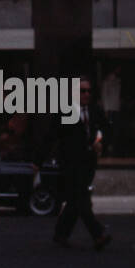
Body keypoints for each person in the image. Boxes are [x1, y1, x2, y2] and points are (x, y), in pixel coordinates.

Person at [48, 77, 110, 250]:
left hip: (88, 162)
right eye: (82, 91)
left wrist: (100, 141)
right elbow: (53, 135)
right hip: (70, 163)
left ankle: (61, 234)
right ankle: (98, 235)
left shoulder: (95, 110)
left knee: (75, 201)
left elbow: (104, 129)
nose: (86, 94)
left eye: (89, 91)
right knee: (81, 198)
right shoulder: (66, 112)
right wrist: (38, 160)